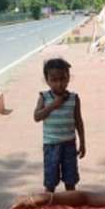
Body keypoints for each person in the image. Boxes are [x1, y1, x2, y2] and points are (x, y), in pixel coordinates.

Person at [34, 58, 86, 192]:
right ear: (47, 80)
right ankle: (49, 207)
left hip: (69, 144)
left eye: (63, 79)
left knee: (70, 179)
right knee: (50, 181)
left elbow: (78, 121)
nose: (59, 84)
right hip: (51, 145)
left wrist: (82, 142)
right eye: (54, 80)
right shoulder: (44, 97)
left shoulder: (74, 98)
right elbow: (37, 117)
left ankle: (70, 206)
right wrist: (52, 106)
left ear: (68, 78)